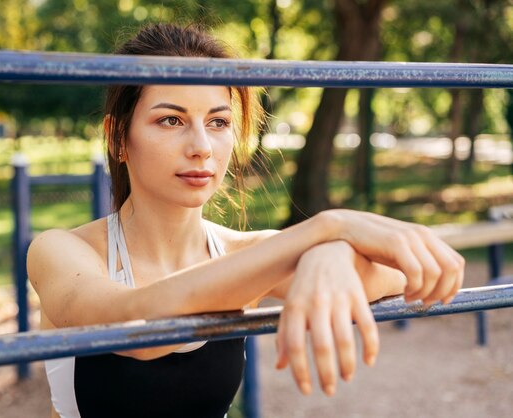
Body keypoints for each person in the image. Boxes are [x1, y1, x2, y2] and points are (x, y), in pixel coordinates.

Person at [27, 23, 465, 418]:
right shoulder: (62, 251)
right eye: (170, 119)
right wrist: (325, 229)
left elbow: (409, 272)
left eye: (218, 122)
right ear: (118, 136)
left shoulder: (246, 254)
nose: (201, 146)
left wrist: (329, 253)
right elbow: (135, 327)